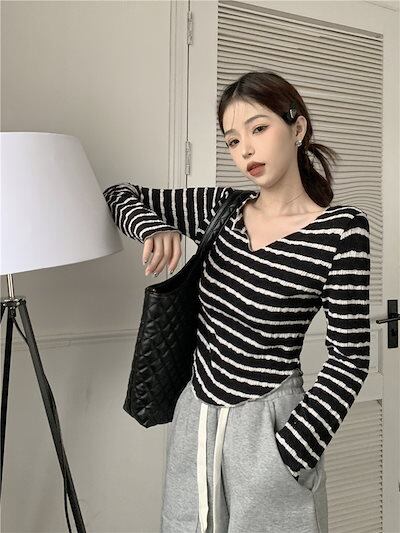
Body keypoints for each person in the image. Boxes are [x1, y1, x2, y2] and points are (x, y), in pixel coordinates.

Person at [103, 71, 370, 533]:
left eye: (258, 128)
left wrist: (289, 452)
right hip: (197, 417)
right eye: (232, 140)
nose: (245, 149)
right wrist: (153, 227)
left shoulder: (342, 230)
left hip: (273, 425)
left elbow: (350, 357)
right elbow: (117, 194)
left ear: (298, 128)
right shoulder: (221, 209)